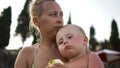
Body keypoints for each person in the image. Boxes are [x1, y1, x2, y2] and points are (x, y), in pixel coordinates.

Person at [14, 0, 66, 68]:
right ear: (36, 21)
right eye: (53, 14)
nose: (60, 20)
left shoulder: (73, 49)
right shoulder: (27, 54)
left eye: (61, 15)